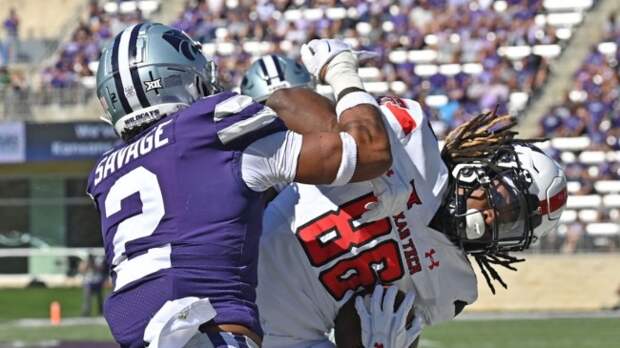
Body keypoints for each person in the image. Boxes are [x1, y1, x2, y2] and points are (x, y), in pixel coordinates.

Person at [86, 26, 410, 348]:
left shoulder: (105, 171)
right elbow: (371, 151)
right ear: (182, 77)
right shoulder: (211, 126)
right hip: (213, 336)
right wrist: (341, 69)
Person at [241, 54, 568, 347]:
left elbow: (355, 322)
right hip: (235, 250)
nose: (495, 217)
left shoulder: (453, 287)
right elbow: (283, 101)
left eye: (512, 223)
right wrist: (367, 156)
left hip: (283, 338)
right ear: (484, 164)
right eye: (504, 200)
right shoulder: (412, 146)